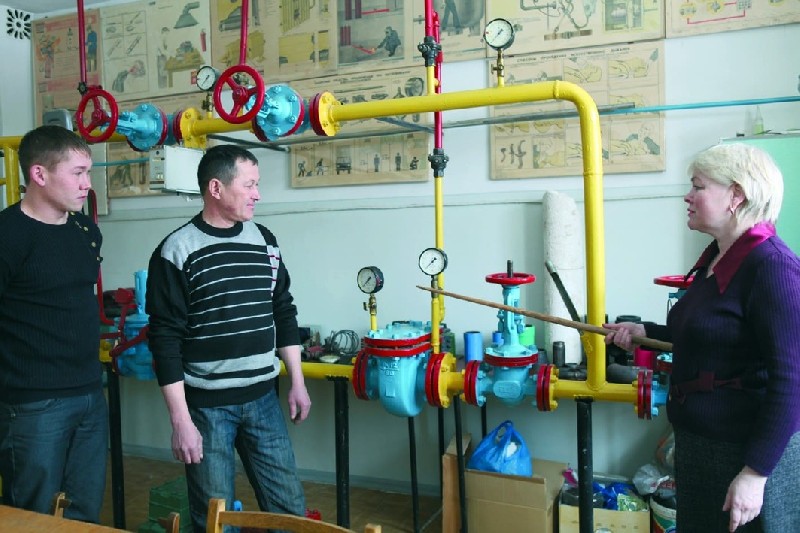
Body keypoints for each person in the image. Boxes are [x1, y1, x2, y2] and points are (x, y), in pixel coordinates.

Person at [605, 143, 800, 532]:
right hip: (702, 447)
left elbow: (791, 381)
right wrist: (645, 333)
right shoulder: (717, 258)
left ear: (736, 196)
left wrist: (755, 474)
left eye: (698, 186)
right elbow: (711, 333)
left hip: (747, 456)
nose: (687, 196)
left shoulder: (773, 267)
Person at [145, 144, 311, 533]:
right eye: (249, 185)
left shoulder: (265, 240)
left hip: (264, 400)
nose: (258, 194)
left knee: (289, 511)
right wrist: (181, 421)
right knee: (214, 520)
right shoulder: (176, 250)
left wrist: (297, 381)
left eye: (257, 184)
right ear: (216, 188)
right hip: (207, 410)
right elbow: (164, 340)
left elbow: (282, 310)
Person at [0, 125, 108, 521]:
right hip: (33, 402)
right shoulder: (7, 235)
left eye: (88, 172)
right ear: (39, 174)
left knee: (84, 510)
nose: (86, 184)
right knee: (33, 514)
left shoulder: (85, 230)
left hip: (89, 392)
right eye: (77, 173)